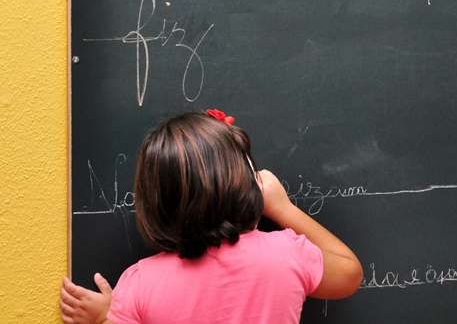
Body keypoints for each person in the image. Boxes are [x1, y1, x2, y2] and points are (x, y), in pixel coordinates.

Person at [60, 110, 362, 324]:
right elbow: (349, 274)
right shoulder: (288, 255)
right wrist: (283, 209)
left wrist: (103, 317)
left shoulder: (139, 285)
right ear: (248, 185)